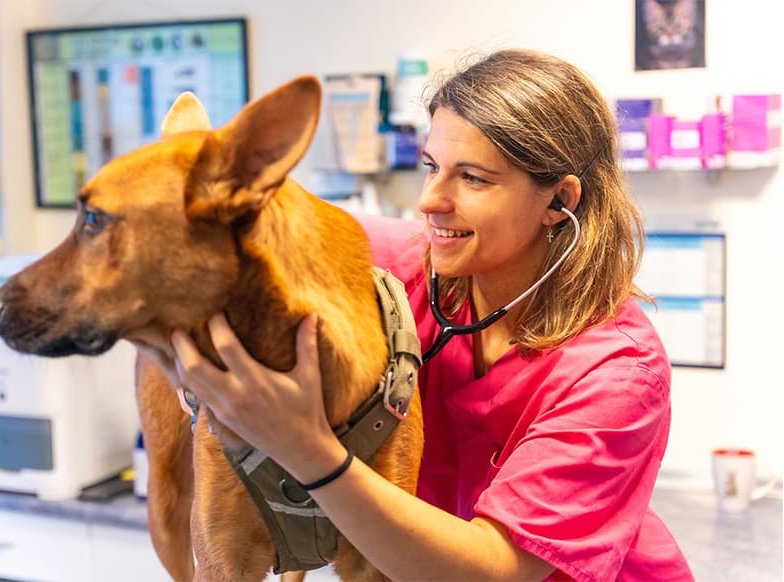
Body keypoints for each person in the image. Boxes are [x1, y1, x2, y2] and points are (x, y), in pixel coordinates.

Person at [169, 48, 694, 581]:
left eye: (472, 178)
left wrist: (307, 451)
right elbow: (273, 228)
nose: (430, 200)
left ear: (559, 200)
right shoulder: (397, 267)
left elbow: (494, 571)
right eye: (431, 166)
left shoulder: (619, 371)